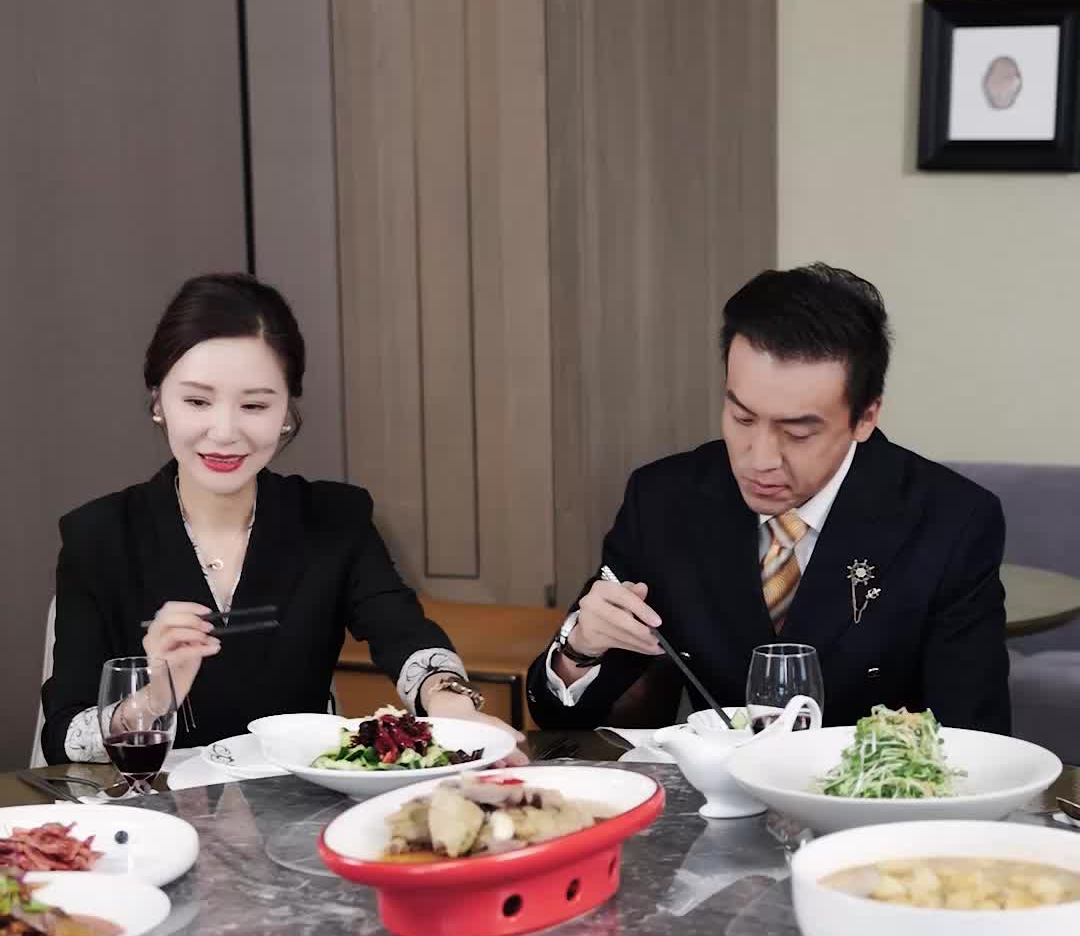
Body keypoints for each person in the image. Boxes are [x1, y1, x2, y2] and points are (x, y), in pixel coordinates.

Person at [526, 263, 1010, 732]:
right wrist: (580, 648)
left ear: (865, 417)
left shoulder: (950, 522)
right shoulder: (666, 500)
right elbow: (560, 720)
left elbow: (975, 740)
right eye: (742, 418)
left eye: (797, 433)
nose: (760, 460)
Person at [41, 273, 493, 762]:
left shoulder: (334, 517)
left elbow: (404, 634)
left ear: (285, 413)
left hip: (301, 793)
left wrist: (449, 700)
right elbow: (63, 734)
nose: (224, 432)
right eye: (197, 401)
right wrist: (153, 699)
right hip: (156, 799)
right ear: (158, 402)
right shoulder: (99, 536)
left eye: (254, 405)